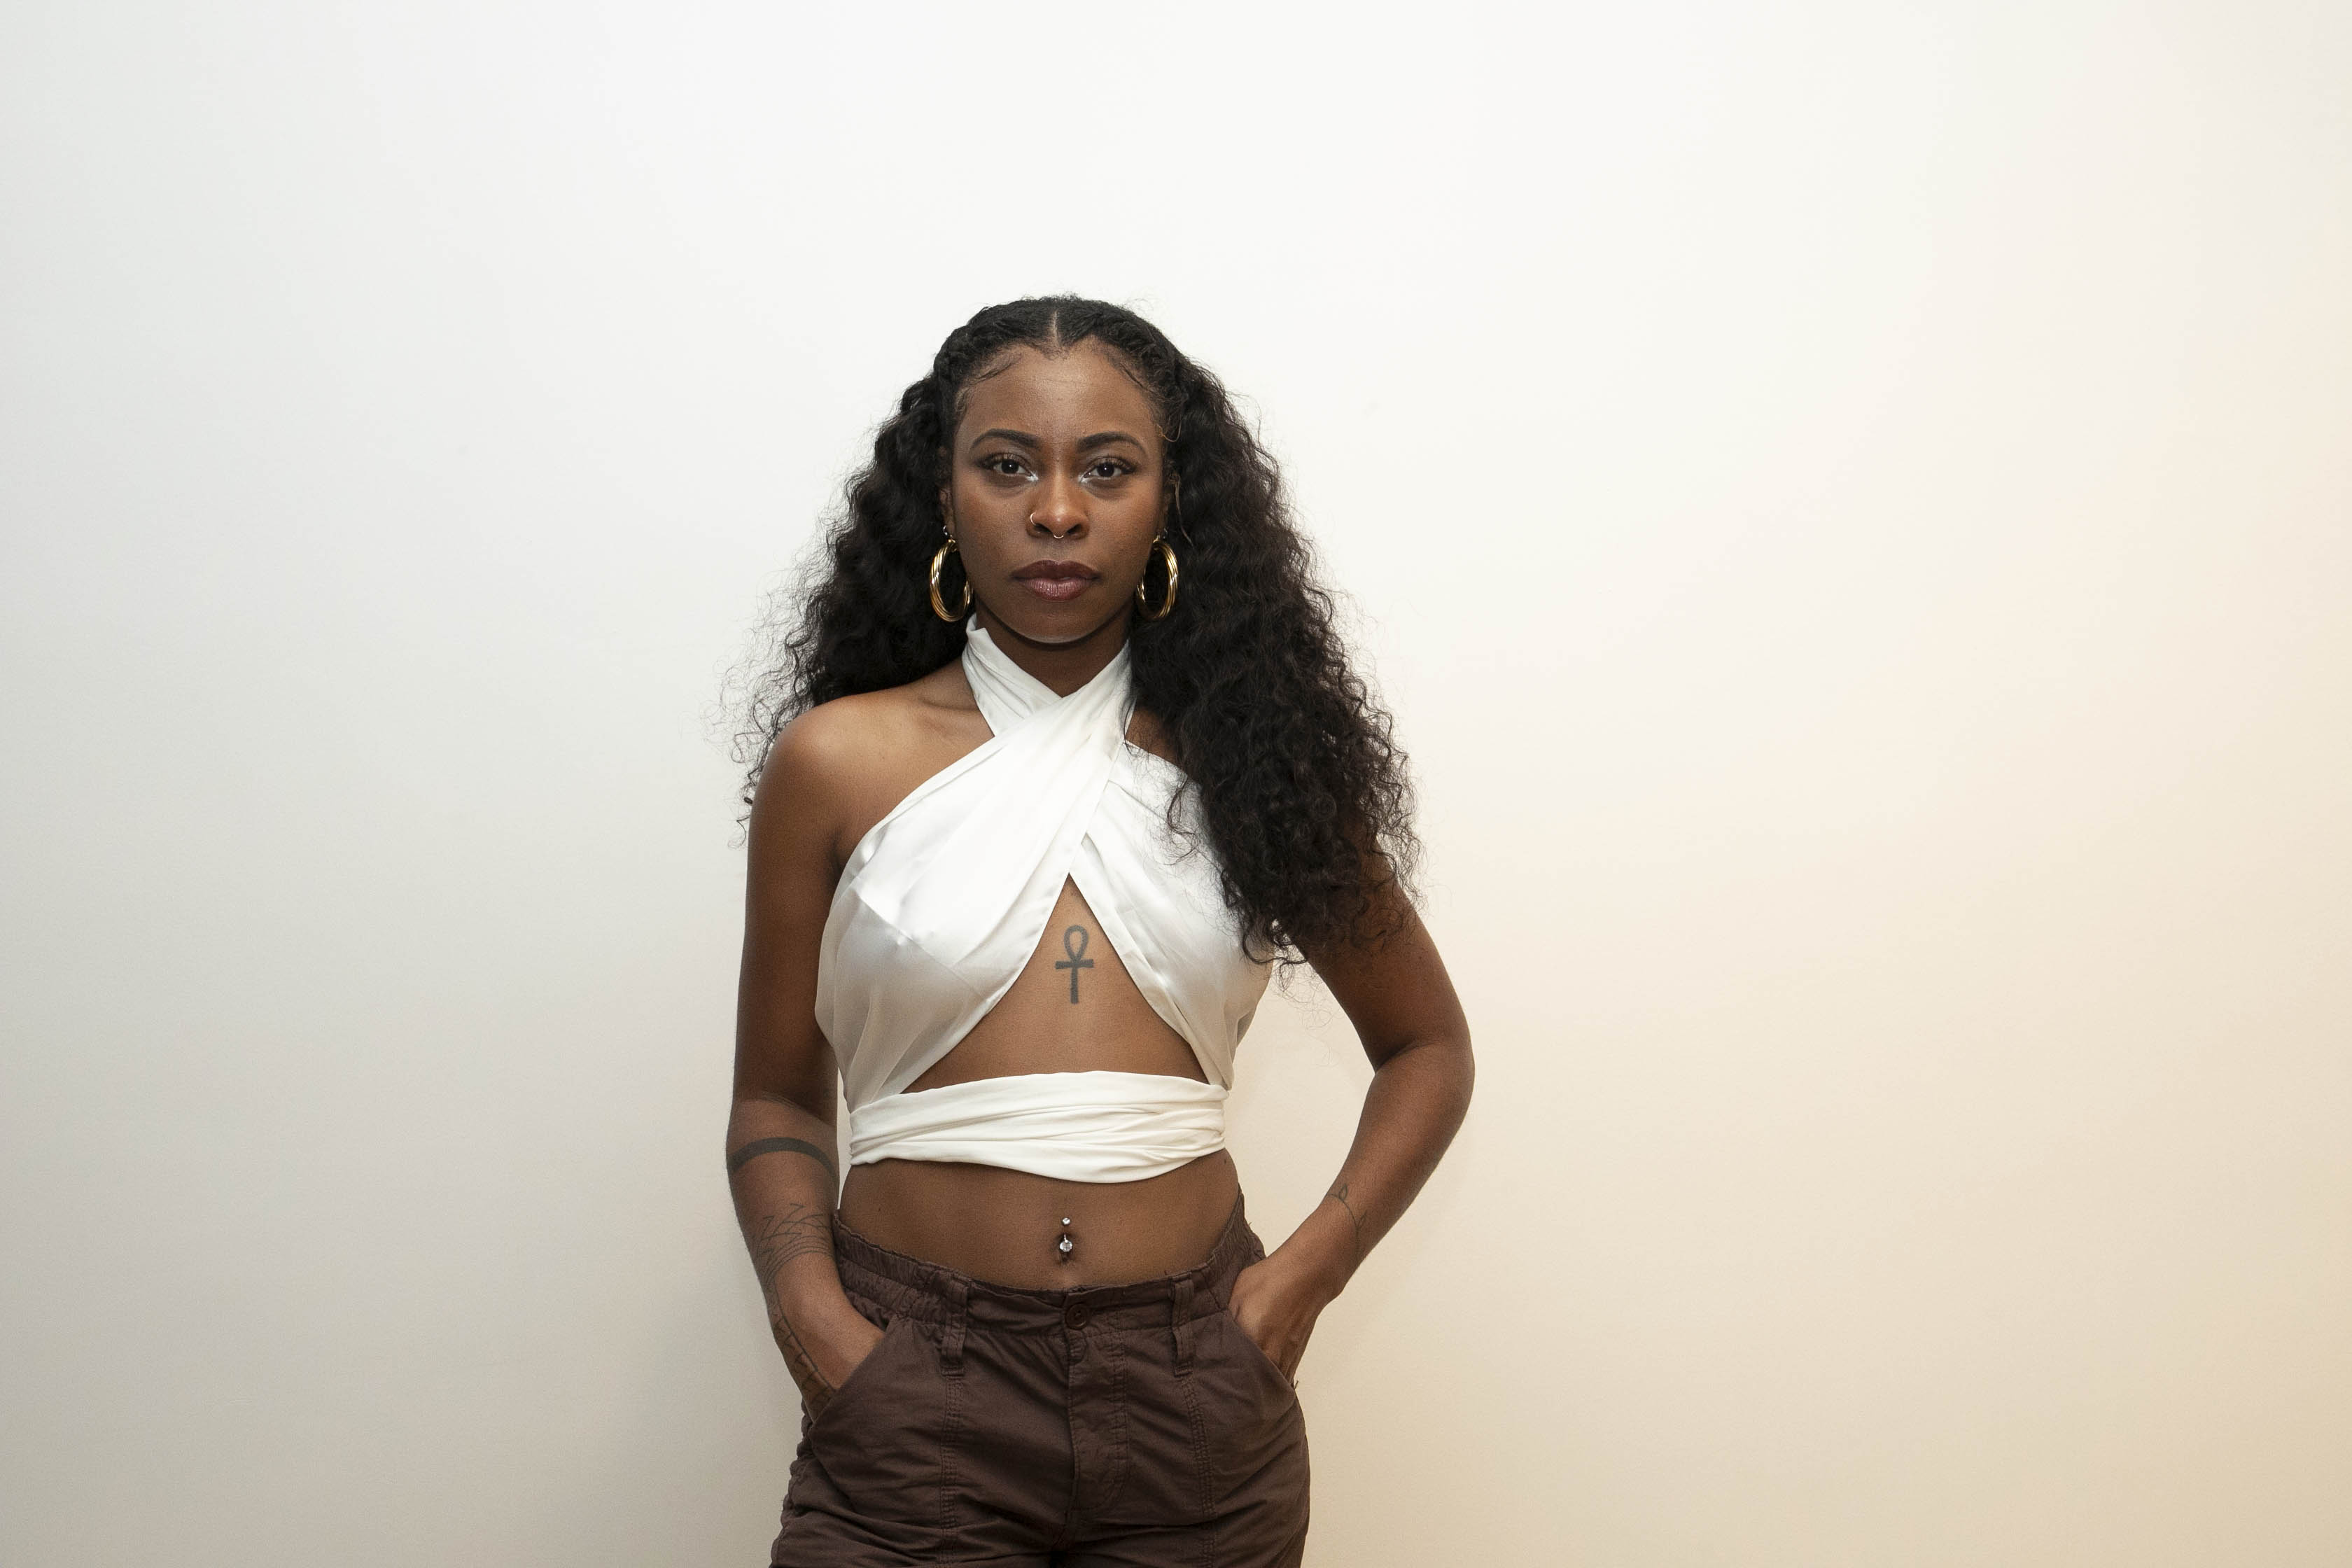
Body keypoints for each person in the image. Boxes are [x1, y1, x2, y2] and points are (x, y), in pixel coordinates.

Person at [726, 295, 1474, 1567]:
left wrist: (1297, 1287)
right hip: (912, 1396)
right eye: (1008, 465)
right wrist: (816, 1323)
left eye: (1109, 468)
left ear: (1171, 501)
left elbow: (1429, 1050)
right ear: (944, 496)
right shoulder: (836, 764)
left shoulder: (1254, 765)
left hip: (1198, 1406)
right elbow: (777, 1101)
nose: (1058, 510)